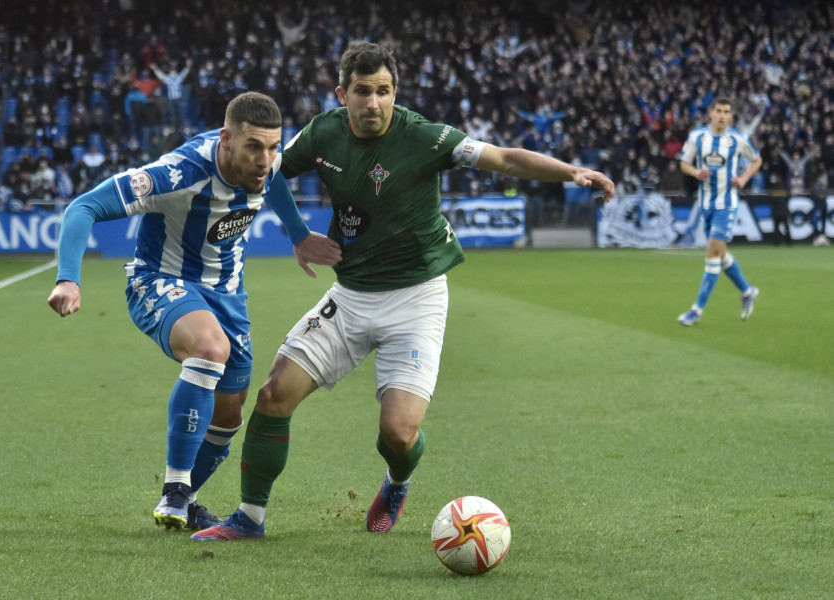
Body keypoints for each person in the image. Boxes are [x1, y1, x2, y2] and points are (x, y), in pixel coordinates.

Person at [190, 41, 614, 542]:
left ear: (396, 92)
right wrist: (298, 232)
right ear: (342, 93)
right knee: (273, 395)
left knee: (397, 433)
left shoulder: (424, 137)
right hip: (350, 296)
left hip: (416, 299)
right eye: (363, 92)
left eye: (384, 91)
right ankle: (249, 518)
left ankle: (398, 479)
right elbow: (272, 169)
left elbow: (501, 156)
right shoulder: (323, 132)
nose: (374, 103)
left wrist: (570, 171)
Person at [46, 92, 342, 531]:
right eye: (254, 148)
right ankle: (175, 489)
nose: (266, 159)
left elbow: (275, 179)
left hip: (228, 293)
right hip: (162, 280)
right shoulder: (179, 174)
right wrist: (68, 277)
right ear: (226, 139)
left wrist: (298, 233)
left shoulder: (268, 160)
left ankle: (188, 500)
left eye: (273, 148)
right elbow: (83, 206)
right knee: (209, 347)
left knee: (229, 412)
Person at [677, 97, 762, 326]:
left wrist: (744, 178)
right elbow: (684, 163)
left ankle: (697, 309)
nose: (723, 115)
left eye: (727, 112)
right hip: (705, 205)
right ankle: (747, 290)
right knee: (720, 254)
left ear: (731, 116)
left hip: (727, 205)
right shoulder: (698, 137)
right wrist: (696, 173)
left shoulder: (738, 139)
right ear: (710, 113)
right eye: (719, 111)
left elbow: (756, 160)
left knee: (712, 252)